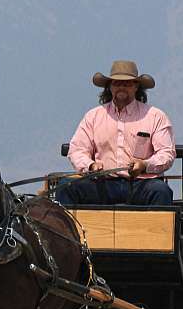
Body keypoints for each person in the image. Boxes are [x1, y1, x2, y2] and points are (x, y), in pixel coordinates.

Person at [56, 60, 175, 206]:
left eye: (127, 83)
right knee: (66, 187)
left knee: (161, 191)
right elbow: (77, 150)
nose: (122, 87)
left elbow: (166, 153)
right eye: (117, 83)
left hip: (141, 183)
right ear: (110, 86)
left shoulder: (155, 116)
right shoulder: (93, 116)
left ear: (136, 86)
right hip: (103, 183)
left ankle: (155, 229)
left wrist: (144, 165)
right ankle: (69, 229)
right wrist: (91, 166)